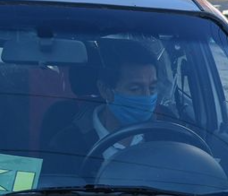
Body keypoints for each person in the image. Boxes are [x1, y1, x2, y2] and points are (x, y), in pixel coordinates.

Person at [47, 40, 159, 173]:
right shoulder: (68, 144)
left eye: (152, 88)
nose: (146, 96)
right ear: (105, 90)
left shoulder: (168, 132)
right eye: (135, 89)